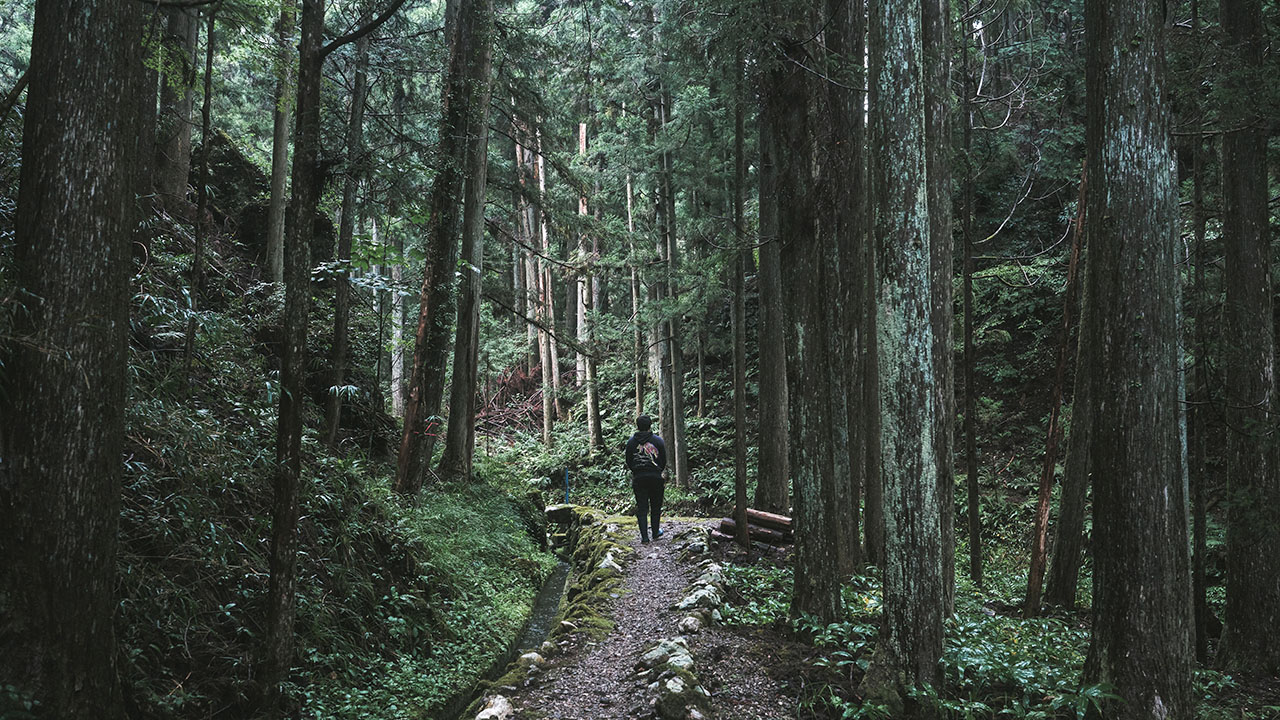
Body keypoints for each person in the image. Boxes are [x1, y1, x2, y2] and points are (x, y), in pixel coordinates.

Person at [624, 414, 666, 544]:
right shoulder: (658, 441)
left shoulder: (631, 442)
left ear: (637, 426)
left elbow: (628, 461)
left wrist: (637, 471)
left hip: (639, 478)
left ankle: (644, 537)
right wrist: (657, 470)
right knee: (655, 506)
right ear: (650, 425)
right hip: (655, 477)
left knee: (642, 507)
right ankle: (655, 532)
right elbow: (663, 460)